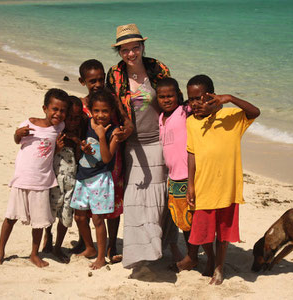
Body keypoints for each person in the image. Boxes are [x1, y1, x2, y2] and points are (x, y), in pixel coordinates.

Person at [176, 74, 260, 285]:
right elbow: (191, 154)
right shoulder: (191, 123)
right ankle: (211, 259)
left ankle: (219, 267)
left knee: (222, 233)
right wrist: (191, 185)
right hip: (204, 186)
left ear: (212, 96)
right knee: (203, 232)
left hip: (227, 187)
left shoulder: (232, 117)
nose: (194, 103)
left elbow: (255, 112)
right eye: (191, 99)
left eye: (199, 98)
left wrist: (230, 98)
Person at [106, 23, 174, 269]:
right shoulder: (114, 74)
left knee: (157, 198)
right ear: (120, 52)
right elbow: (110, 106)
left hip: (158, 141)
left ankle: (156, 249)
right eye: (125, 50)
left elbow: (171, 100)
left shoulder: (158, 68)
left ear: (143, 47)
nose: (131, 54)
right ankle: (137, 254)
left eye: (135, 48)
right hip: (131, 145)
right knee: (134, 199)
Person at [0, 88, 70, 268]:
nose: (58, 113)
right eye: (54, 109)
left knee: (39, 222)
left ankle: (34, 254)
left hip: (42, 181)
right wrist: (18, 134)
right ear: (45, 108)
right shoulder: (29, 124)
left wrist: (57, 148)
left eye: (62, 110)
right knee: (10, 217)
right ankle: (0, 251)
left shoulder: (59, 128)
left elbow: (50, 152)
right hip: (22, 178)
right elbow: (16, 139)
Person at [77, 59, 126, 263]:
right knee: (86, 205)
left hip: (112, 163)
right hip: (87, 164)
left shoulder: (112, 102)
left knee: (112, 206)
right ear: (83, 82)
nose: (97, 84)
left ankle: (112, 244)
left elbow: (125, 121)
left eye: (100, 79)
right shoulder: (81, 106)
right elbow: (77, 130)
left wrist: (126, 130)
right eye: (92, 81)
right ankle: (85, 242)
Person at [70, 89, 123, 269]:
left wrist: (101, 136)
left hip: (100, 179)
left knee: (98, 220)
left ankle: (100, 257)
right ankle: (90, 247)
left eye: (105, 111)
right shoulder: (86, 124)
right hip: (82, 176)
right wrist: (83, 147)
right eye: (97, 111)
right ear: (91, 110)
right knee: (79, 216)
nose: (101, 115)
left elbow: (107, 158)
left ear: (112, 112)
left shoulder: (114, 132)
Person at [42, 95, 85, 263]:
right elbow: (44, 156)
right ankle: (48, 236)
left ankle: (58, 246)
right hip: (54, 181)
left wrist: (78, 143)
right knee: (51, 212)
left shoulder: (80, 131)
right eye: (70, 117)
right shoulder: (57, 131)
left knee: (66, 215)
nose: (73, 121)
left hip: (72, 183)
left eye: (77, 117)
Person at [157, 77, 192, 261]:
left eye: (170, 96)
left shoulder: (184, 111)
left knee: (191, 221)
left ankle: (192, 256)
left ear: (178, 95)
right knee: (183, 221)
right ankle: (190, 254)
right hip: (174, 178)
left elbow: (203, 103)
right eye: (162, 97)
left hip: (189, 176)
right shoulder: (161, 118)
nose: (166, 100)